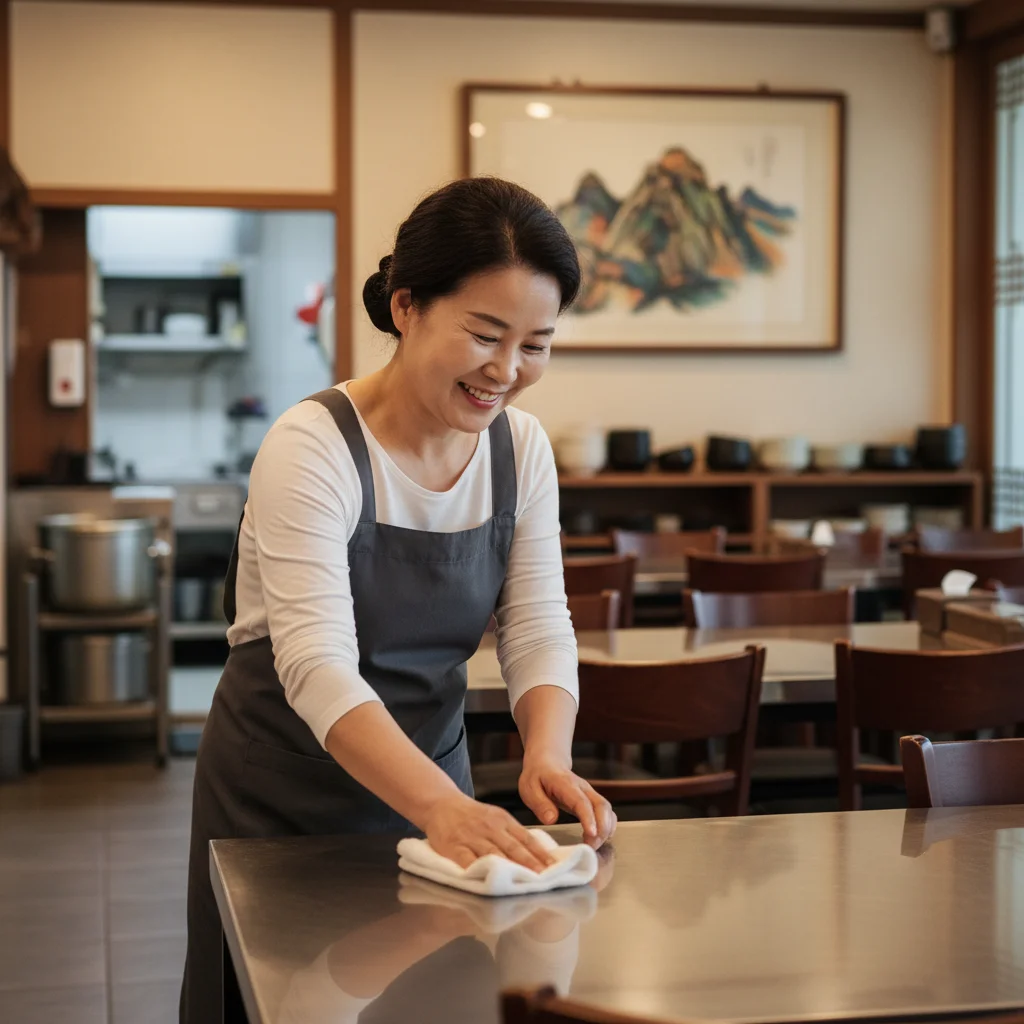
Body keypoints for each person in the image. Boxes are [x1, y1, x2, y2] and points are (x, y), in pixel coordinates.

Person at [180, 177, 616, 1023]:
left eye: (536, 344)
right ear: (408, 306)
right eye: (486, 335)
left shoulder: (519, 448)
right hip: (283, 804)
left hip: (436, 794)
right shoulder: (312, 445)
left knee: (435, 1005)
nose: (508, 371)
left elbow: (535, 622)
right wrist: (444, 808)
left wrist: (547, 755)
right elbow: (314, 665)